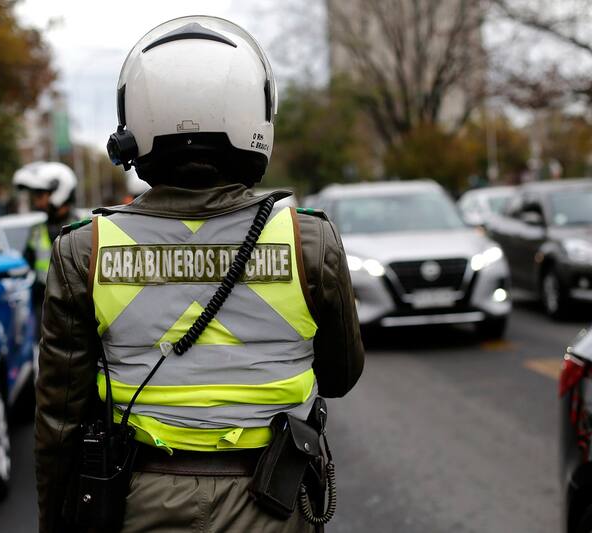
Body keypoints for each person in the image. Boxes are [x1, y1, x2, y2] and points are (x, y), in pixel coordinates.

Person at [35, 16, 364, 533]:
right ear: (256, 115)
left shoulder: (85, 249)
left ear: (133, 129)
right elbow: (341, 376)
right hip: (276, 502)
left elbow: (59, 419)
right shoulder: (309, 241)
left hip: (137, 499)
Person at [13, 161, 78, 335]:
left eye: (41, 195)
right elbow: (23, 264)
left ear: (60, 192)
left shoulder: (85, 226)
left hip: (78, 314)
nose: (37, 201)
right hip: (46, 312)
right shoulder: (37, 230)